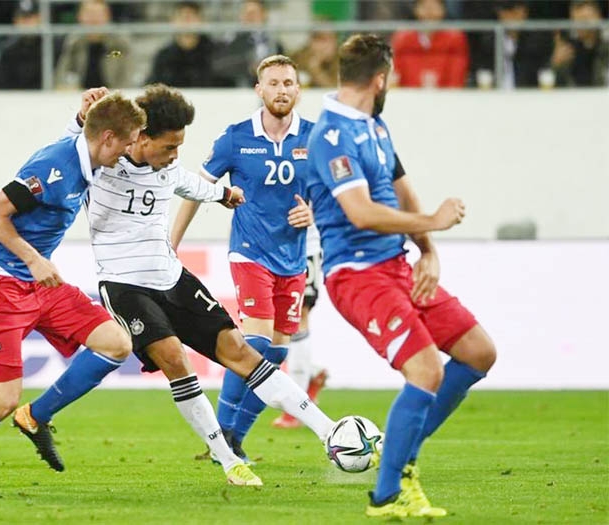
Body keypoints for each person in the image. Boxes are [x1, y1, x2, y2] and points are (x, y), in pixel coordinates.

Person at [41, 83, 336, 486]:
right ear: (141, 138)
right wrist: (79, 119)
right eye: (169, 146)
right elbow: (68, 150)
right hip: (125, 287)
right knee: (176, 361)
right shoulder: (101, 163)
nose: (176, 155)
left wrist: (226, 194)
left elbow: (197, 186)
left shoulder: (169, 171)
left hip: (172, 278)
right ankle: (228, 459)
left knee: (239, 350)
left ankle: (329, 433)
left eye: (181, 145)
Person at [0, 91, 146, 490]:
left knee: (117, 343)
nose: (129, 150)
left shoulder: (82, 153)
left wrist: (79, 117)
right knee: (1, 401)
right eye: (127, 141)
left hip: (39, 287)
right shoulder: (56, 165)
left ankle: (35, 415)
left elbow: (73, 142)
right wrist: (34, 258)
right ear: (107, 137)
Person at [307, 34, 496, 517]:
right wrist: (432, 221)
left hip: (398, 265)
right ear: (380, 77)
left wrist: (428, 250)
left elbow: (398, 188)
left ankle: (400, 449)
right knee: (427, 369)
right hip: (358, 276)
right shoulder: (330, 136)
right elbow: (362, 212)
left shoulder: (375, 126)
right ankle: (387, 494)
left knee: (477, 351)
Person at [171, 55, 314, 463]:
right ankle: (221, 440)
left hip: (294, 258)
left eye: (289, 82)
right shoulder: (235, 138)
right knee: (253, 342)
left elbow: (333, 195)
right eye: (273, 83)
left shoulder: (316, 138)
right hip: (249, 252)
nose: (281, 90)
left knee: (278, 354)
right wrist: (171, 242)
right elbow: (197, 189)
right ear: (259, 90)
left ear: (298, 89)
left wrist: (314, 213)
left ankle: (233, 439)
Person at [271, 224, 328, 429]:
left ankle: (294, 409)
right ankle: (310, 373)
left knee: (297, 315)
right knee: (270, 323)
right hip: (265, 244)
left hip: (304, 246)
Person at [391, 0, 469, 88]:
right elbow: (395, 74)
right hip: (409, 95)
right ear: (416, 9)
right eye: (424, 6)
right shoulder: (403, 38)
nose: (429, 12)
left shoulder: (455, 38)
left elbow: (457, 75)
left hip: (446, 96)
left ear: (443, 10)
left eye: (434, 6)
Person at [146, 1, 226, 87]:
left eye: (191, 17)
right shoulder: (163, 56)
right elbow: (153, 85)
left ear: (201, 20)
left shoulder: (217, 52)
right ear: (173, 21)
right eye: (182, 17)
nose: (187, 22)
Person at [54, 0, 129, 89]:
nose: (94, 19)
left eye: (98, 14)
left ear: (107, 16)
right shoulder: (74, 42)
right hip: (80, 95)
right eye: (89, 13)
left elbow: (128, 73)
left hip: (112, 95)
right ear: (80, 16)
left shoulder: (119, 43)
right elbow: (62, 73)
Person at [213, 0, 285, 87]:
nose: (249, 17)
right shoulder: (230, 42)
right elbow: (219, 66)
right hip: (236, 91)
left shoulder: (275, 44)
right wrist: (249, 66)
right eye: (245, 13)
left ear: (264, 14)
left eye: (254, 13)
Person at [551, 0, 609, 87]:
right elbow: (551, 81)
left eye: (585, 19)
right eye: (576, 20)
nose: (581, 25)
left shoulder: (605, 45)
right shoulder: (567, 47)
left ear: (598, 17)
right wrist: (555, 64)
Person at [0, 0, 42, 90]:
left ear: (40, 19)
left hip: (46, 101)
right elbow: (2, 86)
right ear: (15, 21)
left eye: (30, 18)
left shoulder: (51, 47)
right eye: (23, 18)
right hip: (14, 101)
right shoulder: (7, 51)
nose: (27, 23)